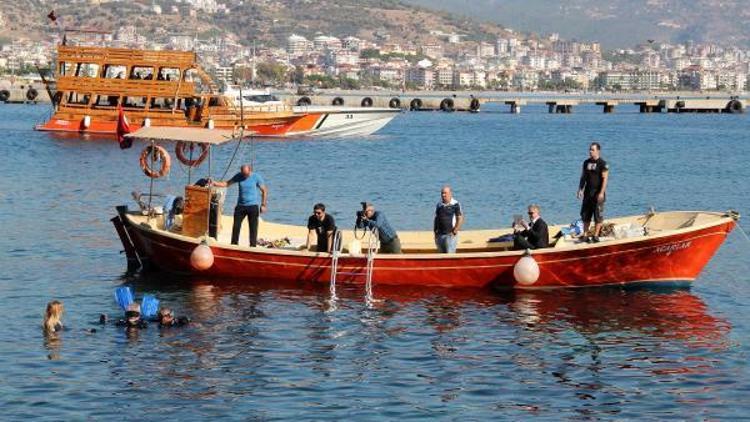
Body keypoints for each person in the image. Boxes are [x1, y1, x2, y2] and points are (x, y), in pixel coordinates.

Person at [211, 164, 268, 247]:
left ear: (250, 170)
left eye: (246, 174)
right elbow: (227, 184)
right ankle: (234, 244)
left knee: (253, 228)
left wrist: (263, 205)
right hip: (240, 206)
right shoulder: (239, 176)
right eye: (243, 174)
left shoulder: (256, 177)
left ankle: (252, 246)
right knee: (236, 226)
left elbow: (264, 190)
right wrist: (214, 183)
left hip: (253, 206)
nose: (244, 176)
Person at [577, 142, 609, 242]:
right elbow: (583, 177)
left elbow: (605, 179)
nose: (590, 151)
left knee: (598, 215)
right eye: (590, 149)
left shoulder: (603, 164)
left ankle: (595, 235)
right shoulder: (586, 163)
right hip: (587, 193)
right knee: (585, 214)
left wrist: (601, 193)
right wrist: (580, 189)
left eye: (592, 150)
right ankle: (585, 235)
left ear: (598, 151)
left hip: (597, 193)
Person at [434, 185, 464, 253]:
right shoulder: (439, 205)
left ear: (450, 193)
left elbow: (460, 218)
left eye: (445, 193)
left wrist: (455, 231)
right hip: (440, 235)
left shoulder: (455, 204)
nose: (443, 195)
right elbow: (436, 218)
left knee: (449, 254)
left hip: (450, 235)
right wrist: (435, 232)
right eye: (442, 193)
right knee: (441, 256)